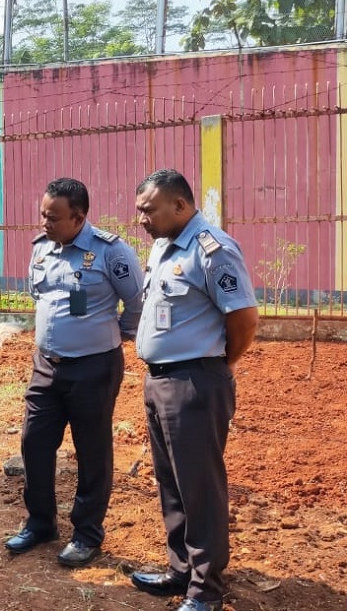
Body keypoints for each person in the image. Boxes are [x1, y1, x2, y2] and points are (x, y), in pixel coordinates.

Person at [131, 169, 258, 611]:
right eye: (140, 211)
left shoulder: (213, 250)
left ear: (180, 205)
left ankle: (206, 590)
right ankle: (181, 570)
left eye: (149, 210)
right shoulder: (163, 247)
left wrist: (217, 366)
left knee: (200, 487)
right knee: (172, 482)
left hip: (194, 383)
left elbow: (244, 320)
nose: (141, 219)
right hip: (159, 381)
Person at [4, 178, 145, 567]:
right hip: (46, 364)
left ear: (79, 217)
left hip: (93, 368)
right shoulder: (41, 248)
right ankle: (40, 523)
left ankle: (86, 533)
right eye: (43, 215)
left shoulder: (111, 252)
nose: (44, 223)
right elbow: (41, 296)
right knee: (34, 442)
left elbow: (136, 301)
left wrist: (112, 336)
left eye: (53, 217)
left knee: (92, 451)